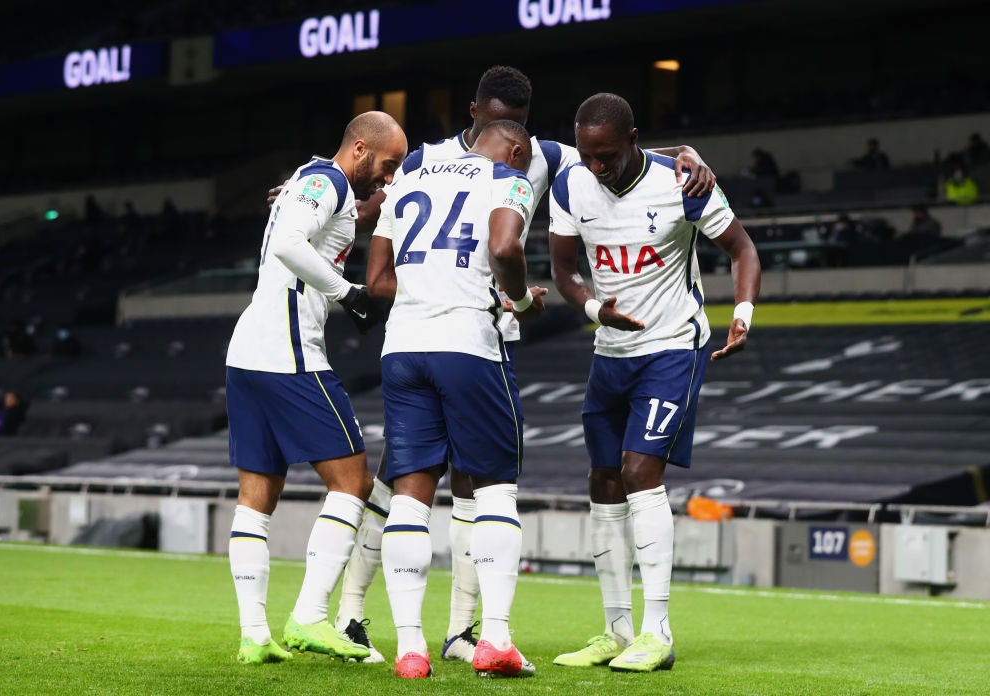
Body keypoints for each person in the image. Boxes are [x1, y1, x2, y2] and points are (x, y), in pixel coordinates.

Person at [324, 65, 718, 666]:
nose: (519, 139)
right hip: (472, 335)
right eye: (505, 123)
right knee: (436, 482)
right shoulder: (478, 162)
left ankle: (454, 631)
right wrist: (320, 198)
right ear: (476, 113)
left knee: (446, 486)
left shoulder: (484, 158)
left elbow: (610, 152)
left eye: (523, 126)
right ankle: (356, 614)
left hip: (433, 340)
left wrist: (684, 155)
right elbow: (382, 206)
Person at [548, 93, 760, 673]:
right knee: (603, 479)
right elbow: (564, 272)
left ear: (634, 139)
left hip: (671, 347)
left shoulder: (683, 181)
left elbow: (742, 248)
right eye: (588, 155)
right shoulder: (570, 185)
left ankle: (657, 632)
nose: (597, 166)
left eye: (608, 155)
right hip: (609, 349)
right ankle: (616, 631)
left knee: (641, 471)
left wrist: (742, 315)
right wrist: (594, 309)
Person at [224, 111, 407, 666]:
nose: (389, 177)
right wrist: (348, 293)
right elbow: (286, 242)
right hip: (290, 354)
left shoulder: (319, 179)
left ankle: (254, 635)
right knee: (353, 482)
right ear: (359, 148)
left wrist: (385, 197)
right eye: (387, 165)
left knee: (258, 496)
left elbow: (352, 209)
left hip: (247, 354)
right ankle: (308, 616)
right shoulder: (325, 181)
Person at [370, 120, 545, 679]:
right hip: (467, 343)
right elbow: (503, 245)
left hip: (401, 347)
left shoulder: (411, 175)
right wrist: (519, 299)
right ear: (517, 149)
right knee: (495, 490)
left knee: (410, 497)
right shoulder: (507, 177)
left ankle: (410, 649)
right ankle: (494, 638)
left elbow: (376, 277)